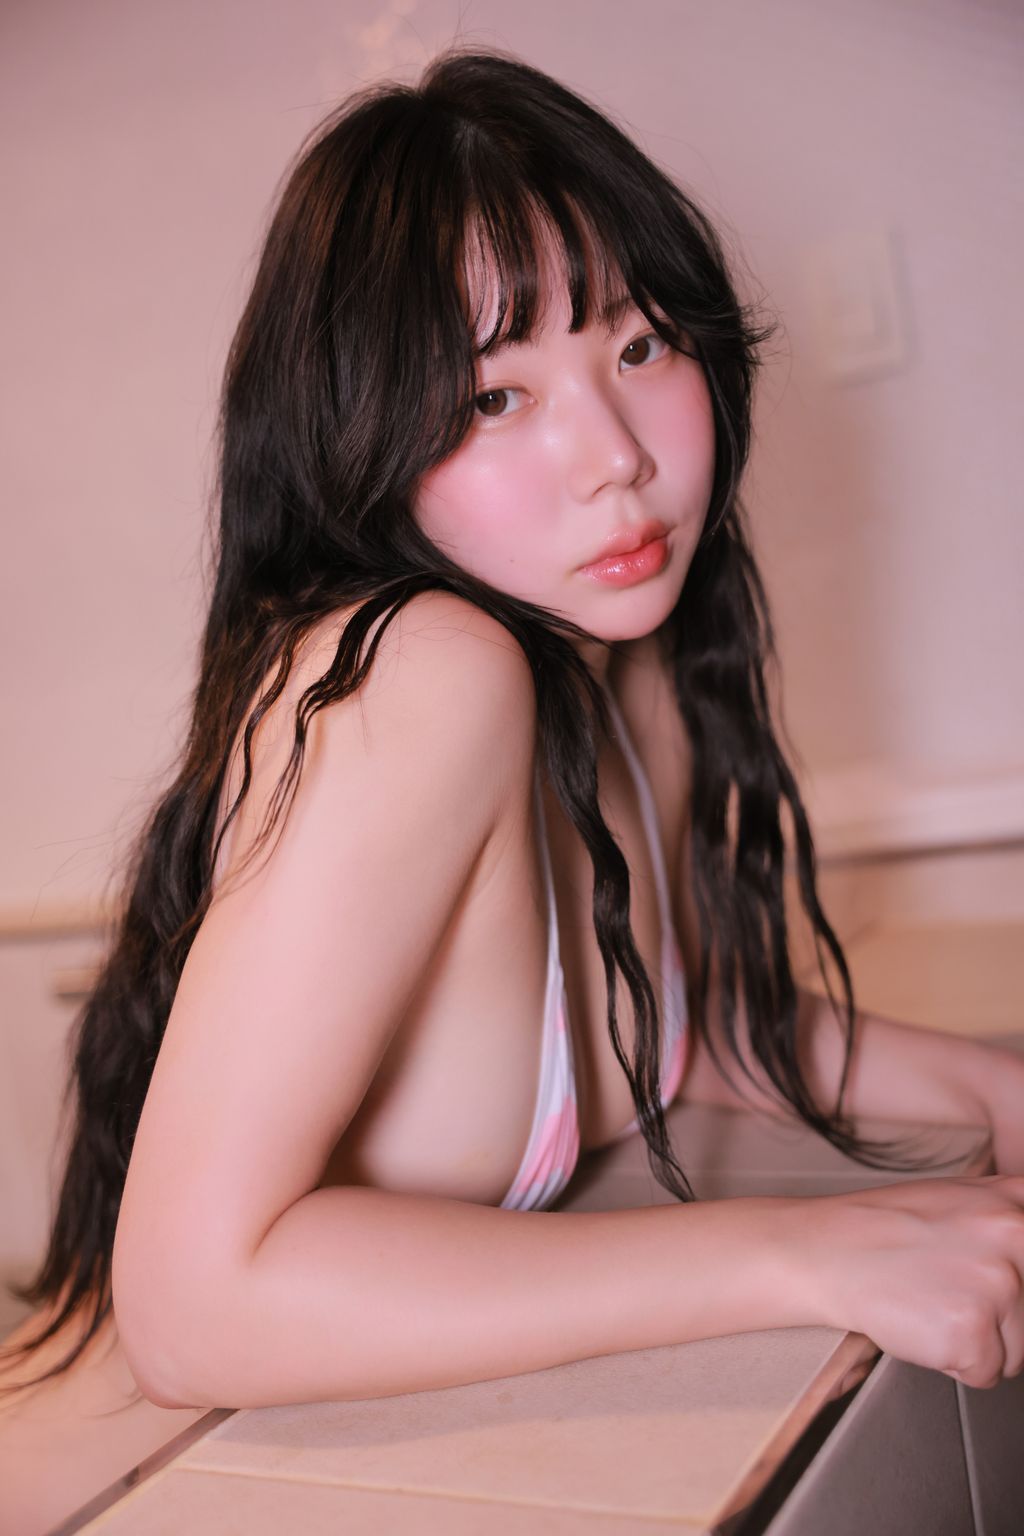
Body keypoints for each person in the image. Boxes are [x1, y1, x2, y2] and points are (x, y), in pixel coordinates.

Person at [2, 42, 1023, 1529]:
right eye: (492, 397)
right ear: (361, 446)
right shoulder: (424, 672)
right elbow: (190, 1304)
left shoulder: (622, 666)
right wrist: (797, 1251)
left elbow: (678, 1036)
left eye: (638, 344)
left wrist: (996, 1087)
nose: (612, 457)